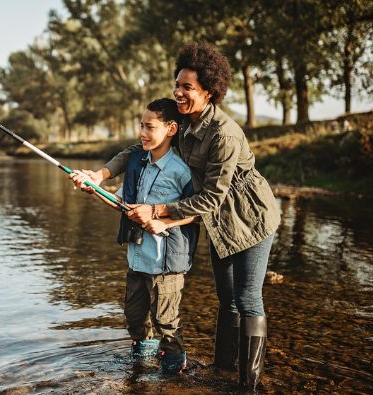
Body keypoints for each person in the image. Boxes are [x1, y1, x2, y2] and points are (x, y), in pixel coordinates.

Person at [71, 43, 280, 390]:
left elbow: (213, 196)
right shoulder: (180, 122)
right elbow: (138, 150)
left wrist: (158, 211)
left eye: (188, 87)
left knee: (247, 298)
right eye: (178, 85)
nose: (178, 92)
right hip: (216, 222)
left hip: (251, 218)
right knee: (226, 299)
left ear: (209, 92)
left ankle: (248, 384)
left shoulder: (224, 133)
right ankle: (223, 371)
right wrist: (100, 176)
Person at [72, 98, 199, 373]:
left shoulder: (181, 171)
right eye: (141, 126)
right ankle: (143, 371)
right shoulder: (136, 163)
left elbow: (198, 213)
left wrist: (163, 223)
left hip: (166, 265)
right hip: (137, 260)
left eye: (149, 127)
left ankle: (175, 373)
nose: (142, 132)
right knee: (135, 320)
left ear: (171, 129)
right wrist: (94, 188)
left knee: (167, 323)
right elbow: (122, 204)